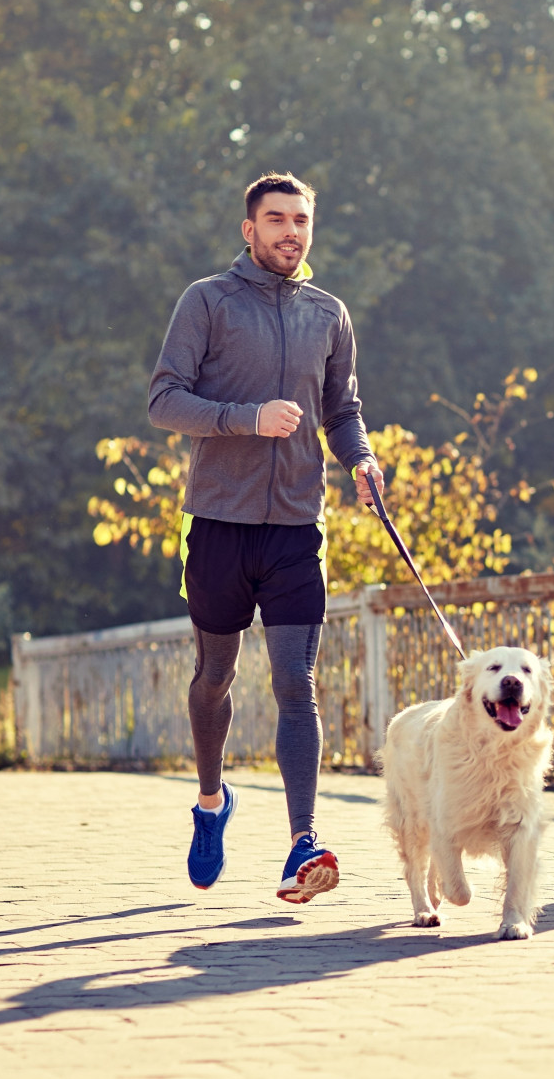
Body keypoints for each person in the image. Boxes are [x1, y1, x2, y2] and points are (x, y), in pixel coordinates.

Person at [148, 171, 384, 903]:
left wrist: (363, 459)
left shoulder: (328, 313)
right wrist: (247, 418)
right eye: (276, 219)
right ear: (248, 230)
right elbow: (164, 401)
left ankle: (302, 842)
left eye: (301, 220)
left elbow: (342, 410)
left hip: (294, 526)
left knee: (294, 683)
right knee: (215, 676)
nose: (290, 231)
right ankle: (212, 801)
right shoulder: (207, 300)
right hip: (218, 522)